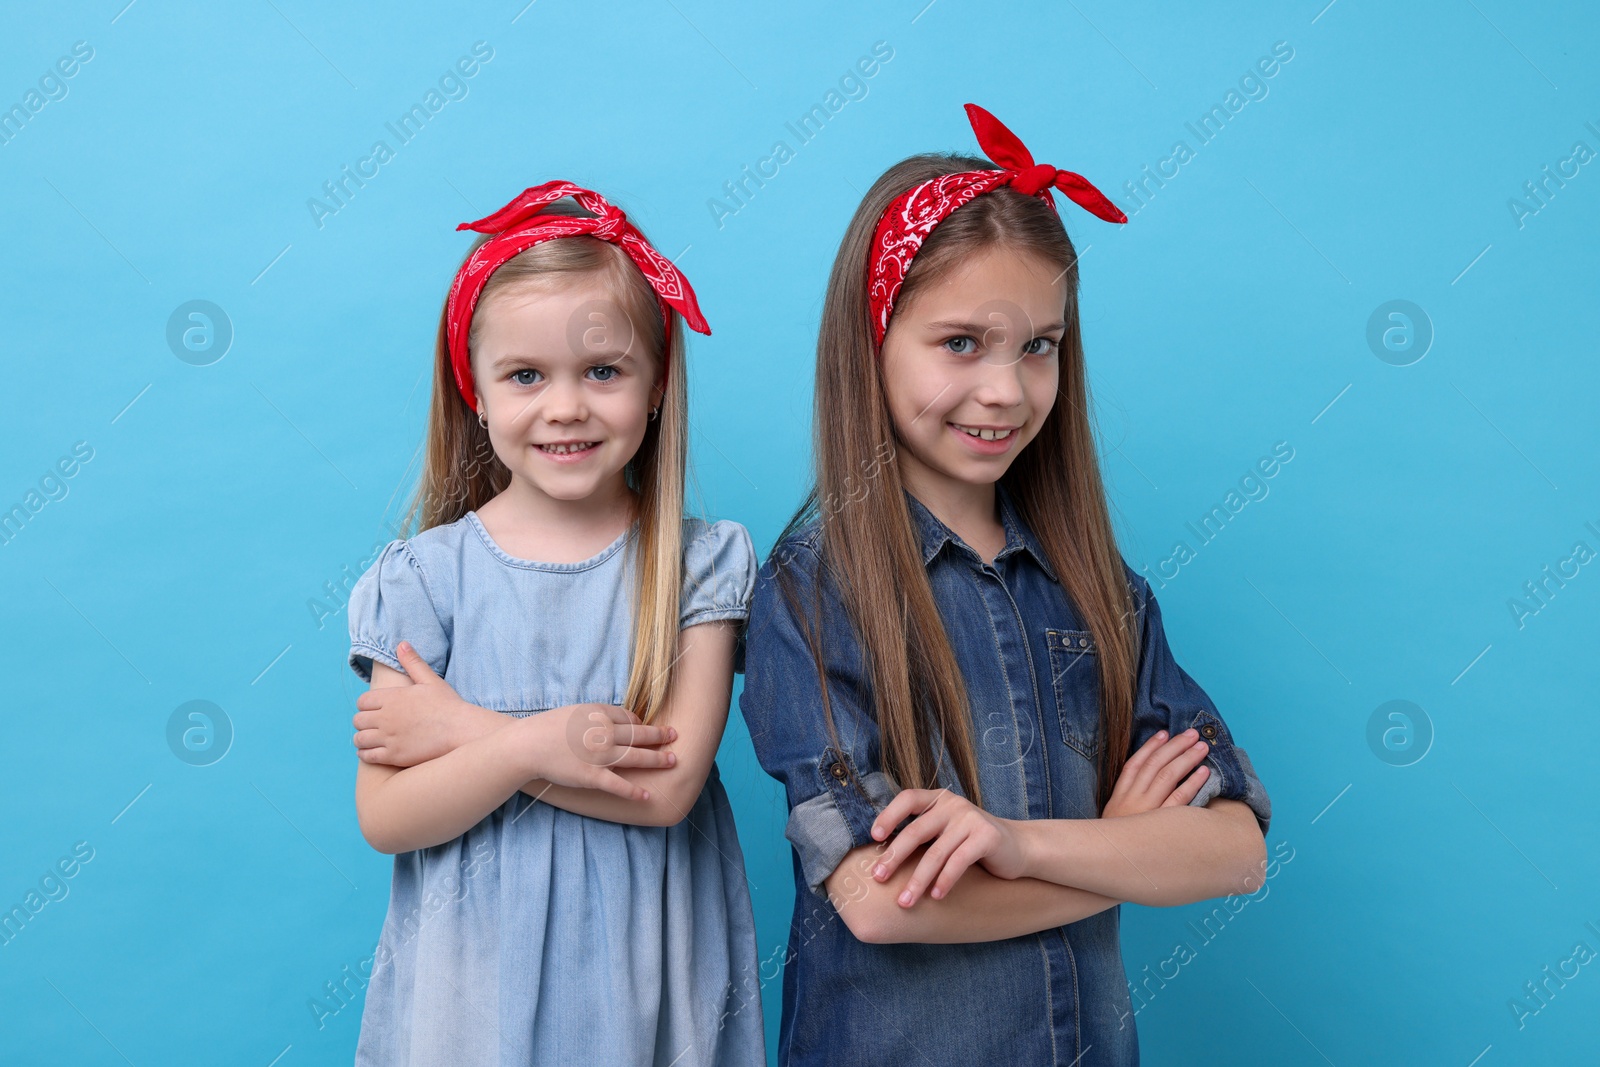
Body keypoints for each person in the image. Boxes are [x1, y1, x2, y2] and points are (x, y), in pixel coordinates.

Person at [738, 105, 1273, 1065]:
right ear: (874, 345)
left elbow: (1234, 848)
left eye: (1039, 345)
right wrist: (1120, 854)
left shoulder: (1102, 592)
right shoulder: (811, 593)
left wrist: (1021, 847)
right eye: (960, 344)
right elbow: (880, 902)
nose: (1007, 390)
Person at [344, 180, 764, 1065]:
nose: (565, 406)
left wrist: (472, 732)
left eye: (603, 371)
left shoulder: (696, 567)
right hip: (474, 991)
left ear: (655, 386)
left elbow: (666, 792)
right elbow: (386, 815)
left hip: (647, 979)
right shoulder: (427, 578)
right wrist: (533, 746)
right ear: (478, 393)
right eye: (526, 375)